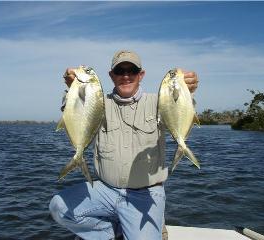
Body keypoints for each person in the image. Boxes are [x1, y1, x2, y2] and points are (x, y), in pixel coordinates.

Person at [49, 50, 199, 240]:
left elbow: (180, 109)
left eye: (132, 71)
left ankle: (145, 224)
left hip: (145, 195)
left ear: (141, 75)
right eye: (120, 71)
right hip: (105, 190)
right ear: (112, 75)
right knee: (59, 207)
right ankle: (113, 232)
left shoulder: (159, 101)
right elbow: (75, 110)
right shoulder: (98, 102)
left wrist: (187, 90)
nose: (126, 76)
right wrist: (72, 89)